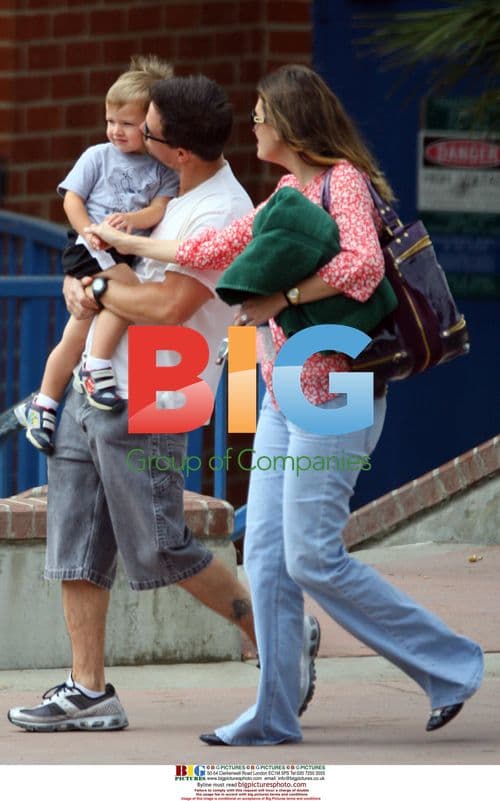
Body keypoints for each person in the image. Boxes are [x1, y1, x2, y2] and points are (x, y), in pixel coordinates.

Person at [88, 64, 484, 746]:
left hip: (337, 390)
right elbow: (210, 247)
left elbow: (361, 267)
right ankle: (272, 712)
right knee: (266, 556)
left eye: (262, 113)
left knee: (311, 556)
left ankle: (452, 664)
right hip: (282, 392)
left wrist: (283, 299)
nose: (254, 124)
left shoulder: (342, 183)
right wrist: (122, 243)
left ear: (292, 122)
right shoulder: (284, 194)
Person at [7, 73, 319, 734]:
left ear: (177, 150)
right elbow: (123, 274)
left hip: (155, 388)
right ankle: (88, 691)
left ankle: (280, 632)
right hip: (102, 378)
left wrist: (94, 287)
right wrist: (87, 285)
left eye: (145, 131)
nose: (131, 139)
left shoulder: (221, 212)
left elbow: (170, 307)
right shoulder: (173, 192)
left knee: (157, 547)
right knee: (75, 539)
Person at [19, 55, 178, 456]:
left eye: (126, 124)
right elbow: (71, 199)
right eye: (110, 121)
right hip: (90, 248)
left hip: (120, 251)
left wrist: (132, 220)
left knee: (78, 326)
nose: (115, 131)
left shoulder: (163, 169)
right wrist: (89, 231)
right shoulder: (97, 156)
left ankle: (45, 403)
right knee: (129, 293)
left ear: (150, 124)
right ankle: (96, 365)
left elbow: (158, 210)